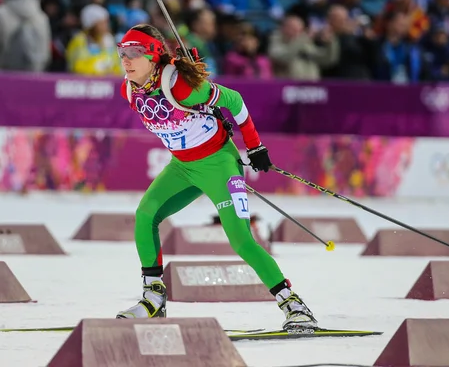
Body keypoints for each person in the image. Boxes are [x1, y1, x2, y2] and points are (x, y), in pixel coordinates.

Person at [114, 23, 317, 330]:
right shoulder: (129, 89)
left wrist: (255, 146)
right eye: (122, 53)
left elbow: (233, 101)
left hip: (218, 164)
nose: (126, 60)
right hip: (181, 167)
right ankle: (153, 300)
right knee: (145, 215)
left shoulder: (181, 86)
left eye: (134, 53)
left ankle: (294, 305)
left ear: (154, 56)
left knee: (241, 240)